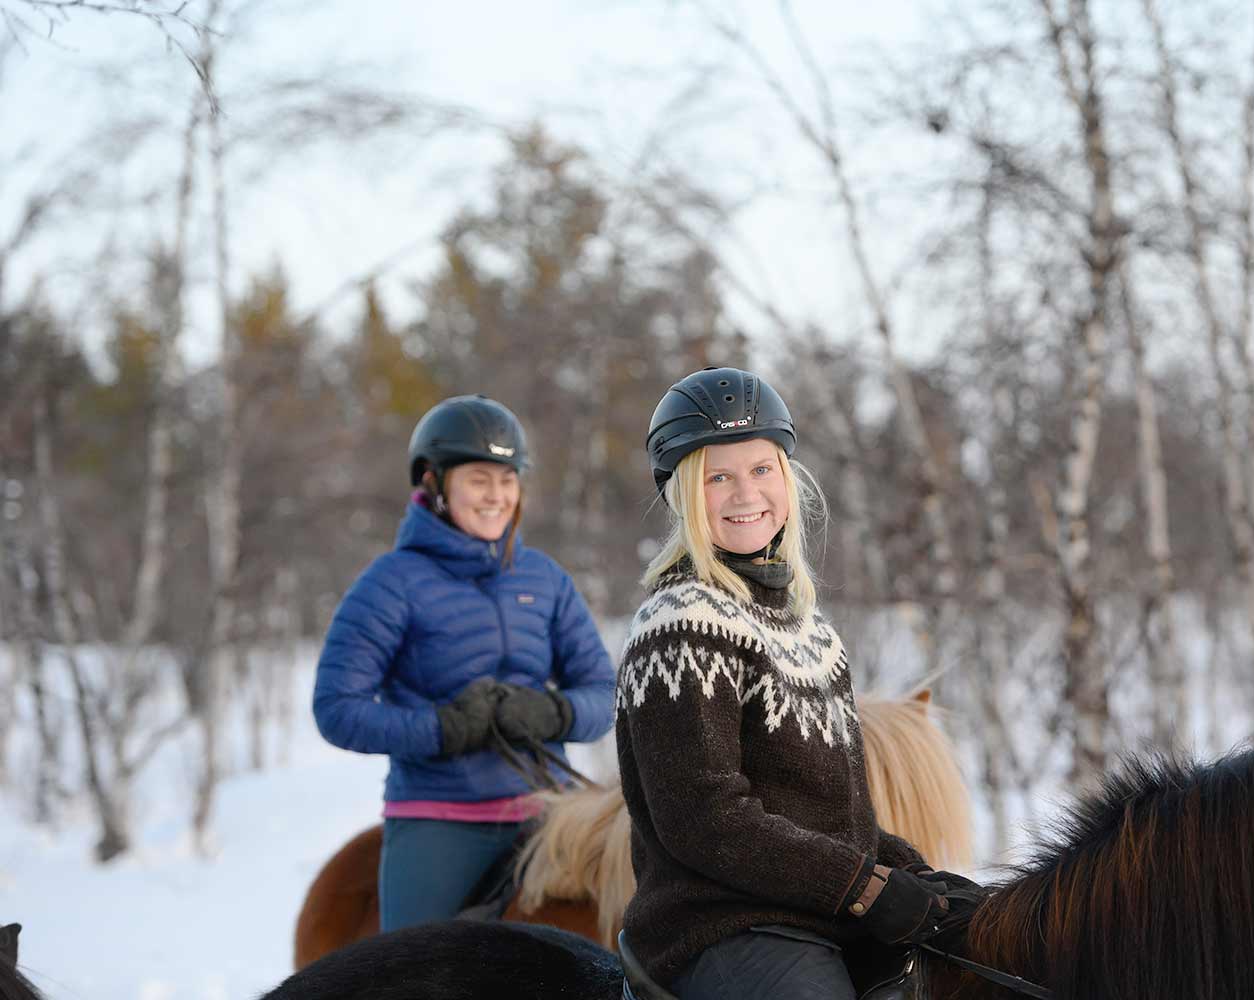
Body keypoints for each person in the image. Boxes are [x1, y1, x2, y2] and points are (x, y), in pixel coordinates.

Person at [615, 367, 975, 1000]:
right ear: (682, 495)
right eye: (716, 477)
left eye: (760, 470)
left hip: (824, 913)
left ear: (787, 477)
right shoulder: (681, 622)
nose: (743, 493)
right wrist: (863, 886)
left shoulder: (812, 633)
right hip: (722, 924)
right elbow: (706, 820)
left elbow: (843, 820)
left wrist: (922, 880)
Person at [313, 394, 615, 933]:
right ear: (432, 482)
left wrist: (553, 713)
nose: (496, 496)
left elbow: (602, 693)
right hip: (442, 818)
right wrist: (443, 728)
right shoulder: (389, 584)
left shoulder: (545, 580)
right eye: (479, 479)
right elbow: (337, 708)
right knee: (418, 972)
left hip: (554, 818)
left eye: (508, 479)